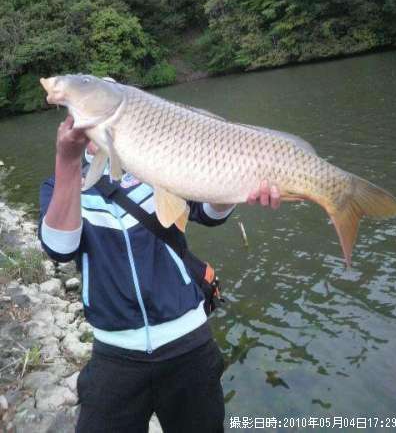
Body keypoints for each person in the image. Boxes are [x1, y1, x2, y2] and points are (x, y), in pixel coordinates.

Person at [39, 113, 281, 433]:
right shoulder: (61, 184)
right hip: (114, 355)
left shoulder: (160, 162)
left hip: (189, 344)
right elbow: (59, 247)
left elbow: (207, 212)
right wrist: (66, 161)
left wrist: (240, 187)